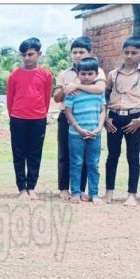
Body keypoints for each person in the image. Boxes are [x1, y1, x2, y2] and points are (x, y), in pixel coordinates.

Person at [53, 36, 106, 201]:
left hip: (91, 121)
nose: (77, 55)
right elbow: (57, 98)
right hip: (69, 119)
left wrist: (77, 85)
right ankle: (65, 188)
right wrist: (66, 89)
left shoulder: (97, 70)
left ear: (90, 52)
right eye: (74, 52)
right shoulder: (64, 73)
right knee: (66, 155)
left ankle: (83, 190)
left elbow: (100, 89)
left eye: (81, 52)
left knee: (89, 162)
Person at [6, 37, 53, 200]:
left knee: (35, 153)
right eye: (23, 55)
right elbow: (10, 100)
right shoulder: (14, 75)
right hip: (18, 119)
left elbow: (47, 98)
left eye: (30, 54)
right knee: (19, 154)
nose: (27, 58)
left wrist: (41, 115)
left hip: (38, 119)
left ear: (39, 54)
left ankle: (31, 187)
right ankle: (21, 189)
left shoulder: (46, 75)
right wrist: (14, 116)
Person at [104, 36, 140, 206]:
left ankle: (132, 194)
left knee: (133, 156)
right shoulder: (113, 74)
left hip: (135, 118)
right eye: (126, 52)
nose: (129, 56)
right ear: (122, 53)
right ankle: (109, 192)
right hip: (114, 117)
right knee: (112, 155)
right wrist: (105, 117)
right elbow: (105, 96)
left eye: (134, 52)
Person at [64, 57, 106, 205]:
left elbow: (102, 111)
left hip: (95, 134)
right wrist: (78, 128)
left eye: (90, 74)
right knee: (76, 163)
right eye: (83, 74)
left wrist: (100, 127)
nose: (86, 77)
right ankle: (75, 192)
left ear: (96, 74)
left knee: (93, 164)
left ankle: (93, 194)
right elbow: (68, 112)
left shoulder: (98, 92)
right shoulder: (72, 92)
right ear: (78, 74)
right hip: (76, 135)